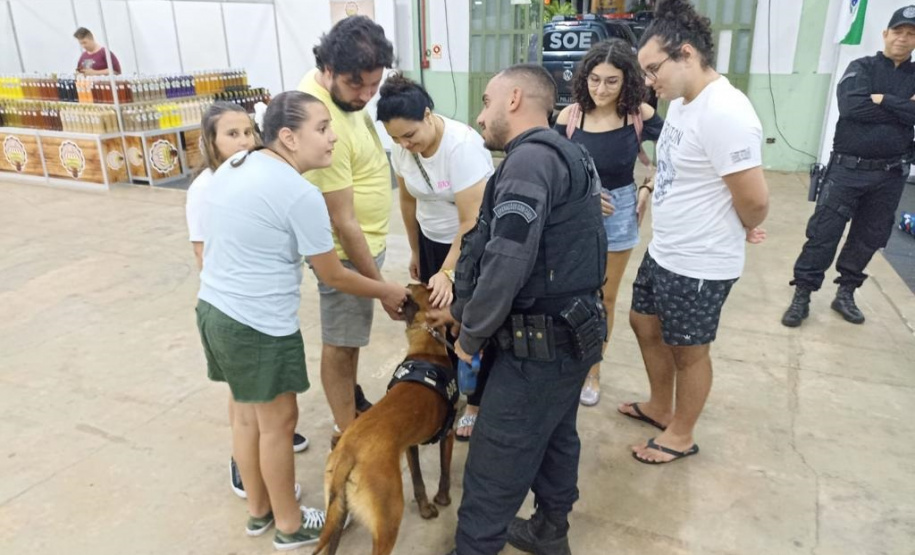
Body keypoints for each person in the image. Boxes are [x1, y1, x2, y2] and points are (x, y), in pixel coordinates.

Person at [195, 91, 408, 549]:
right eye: (323, 128)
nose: (332, 138)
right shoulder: (298, 194)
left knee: (247, 415)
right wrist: (389, 291)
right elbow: (332, 274)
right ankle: (290, 526)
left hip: (214, 309)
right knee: (278, 423)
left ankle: (259, 511)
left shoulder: (238, 166)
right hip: (256, 325)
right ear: (288, 137)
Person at [444, 64, 607, 555]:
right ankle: (549, 530)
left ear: (513, 99)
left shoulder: (529, 163)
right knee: (556, 436)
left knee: (496, 461)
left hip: (537, 348)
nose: (480, 116)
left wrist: (470, 335)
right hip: (572, 337)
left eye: (486, 102)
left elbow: (506, 262)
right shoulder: (571, 153)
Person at [620, 0, 769, 465]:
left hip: (700, 260)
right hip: (667, 248)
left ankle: (681, 434)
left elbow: (756, 200)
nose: (649, 81)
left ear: (686, 53)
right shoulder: (686, 104)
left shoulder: (726, 111)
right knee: (644, 323)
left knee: (689, 350)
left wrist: (745, 225)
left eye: (652, 69)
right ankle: (660, 406)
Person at [185, 102, 311, 501]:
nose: (243, 141)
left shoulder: (248, 175)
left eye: (248, 132)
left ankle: (260, 498)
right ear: (211, 141)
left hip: (236, 311)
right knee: (259, 414)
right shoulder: (208, 186)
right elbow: (205, 252)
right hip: (245, 313)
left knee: (253, 409)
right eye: (231, 134)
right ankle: (256, 480)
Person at [781, 6, 915, 328]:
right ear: (885, 34)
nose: (903, 38)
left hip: (890, 176)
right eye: (898, 31)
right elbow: (852, 106)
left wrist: (882, 99)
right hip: (847, 171)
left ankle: (846, 293)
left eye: (911, 34)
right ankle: (803, 293)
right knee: (823, 233)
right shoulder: (862, 67)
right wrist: (902, 107)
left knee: (868, 237)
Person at [376, 73, 493, 440]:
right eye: (395, 139)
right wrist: (415, 248)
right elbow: (408, 198)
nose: (404, 145)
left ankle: (475, 400)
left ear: (427, 115)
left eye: (409, 135)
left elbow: (471, 220)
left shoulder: (461, 147)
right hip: (431, 241)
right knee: (438, 319)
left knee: (467, 322)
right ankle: (447, 386)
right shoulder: (402, 148)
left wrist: (448, 271)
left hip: (470, 246)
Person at [297, 16, 395, 446]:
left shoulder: (345, 100)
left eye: (374, 86)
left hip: (366, 245)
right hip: (346, 253)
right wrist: (379, 285)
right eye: (358, 85)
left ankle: (349, 403)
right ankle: (345, 431)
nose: (366, 96)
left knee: (351, 340)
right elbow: (342, 220)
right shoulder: (318, 120)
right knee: (340, 344)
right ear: (329, 69)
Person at [554, 38, 663, 407]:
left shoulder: (640, 116)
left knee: (605, 298)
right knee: (567, 292)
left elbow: (679, 154)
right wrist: (578, 198)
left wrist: (648, 184)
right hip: (572, 215)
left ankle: (592, 369)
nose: (601, 89)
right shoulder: (568, 118)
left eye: (612, 81)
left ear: (627, 81)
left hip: (619, 213)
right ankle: (565, 361)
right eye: (595, 79)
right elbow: (550, 170)